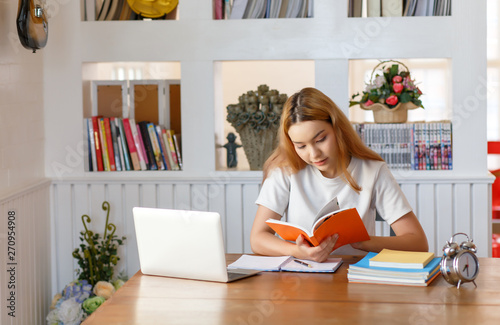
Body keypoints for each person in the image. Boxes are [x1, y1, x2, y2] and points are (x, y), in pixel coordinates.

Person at [250, 87, 428, 262]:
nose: (314, 154)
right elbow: (258, 239)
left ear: (338, 129)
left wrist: (363, 241)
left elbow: (418, 243)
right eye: (301, 146)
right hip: (300, 278)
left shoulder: (372, 171)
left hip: (355, 277)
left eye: (320, 140)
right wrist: (296, 251)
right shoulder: (284, 171)